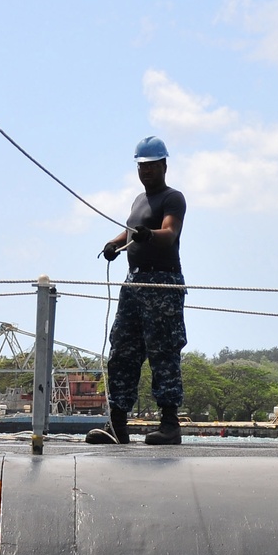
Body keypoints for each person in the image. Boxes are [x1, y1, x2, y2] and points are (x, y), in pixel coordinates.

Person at [87, 137, 187, 447]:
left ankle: (170, 425)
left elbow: (169, 233)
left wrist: (149, 235)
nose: (146, 172)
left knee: (163, 352)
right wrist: (116, 243)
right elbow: (133, 228)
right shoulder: (138, 201)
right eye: (141, 166)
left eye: (151, 166)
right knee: (122, 352)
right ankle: (117, 424)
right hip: (133, 284)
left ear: (164, 166)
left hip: (162, 284)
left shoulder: (173, 198)